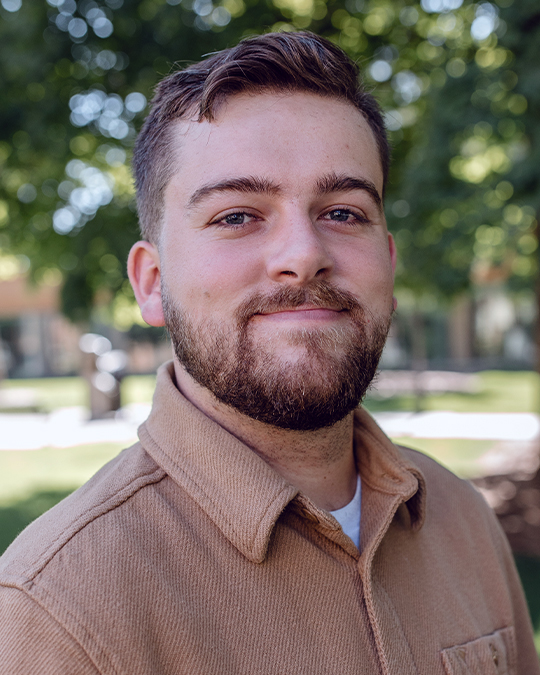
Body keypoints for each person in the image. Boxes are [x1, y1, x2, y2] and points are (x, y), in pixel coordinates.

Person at [0, 31, 538, 674]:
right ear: (151, 283)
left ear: (388, 265)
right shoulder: (55, 611)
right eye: (236, 215)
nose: (303, 254)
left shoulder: (464, 519)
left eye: (342, 212)